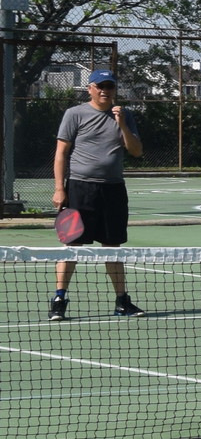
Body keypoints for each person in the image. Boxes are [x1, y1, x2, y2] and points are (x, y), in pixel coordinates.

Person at [48, 67, 146, 320]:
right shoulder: (74, 114)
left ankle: (122, 302)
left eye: (109, 86)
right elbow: (61, 153)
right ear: (90, 89)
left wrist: (122, 123)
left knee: (112, 246)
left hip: (113, 189)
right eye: (100, 86)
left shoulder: (125, 115)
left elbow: (136, 151)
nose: (104, 91)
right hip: (80, 188)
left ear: (114, 90)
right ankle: (59, 299)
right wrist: (60, 188)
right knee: (73, 245)